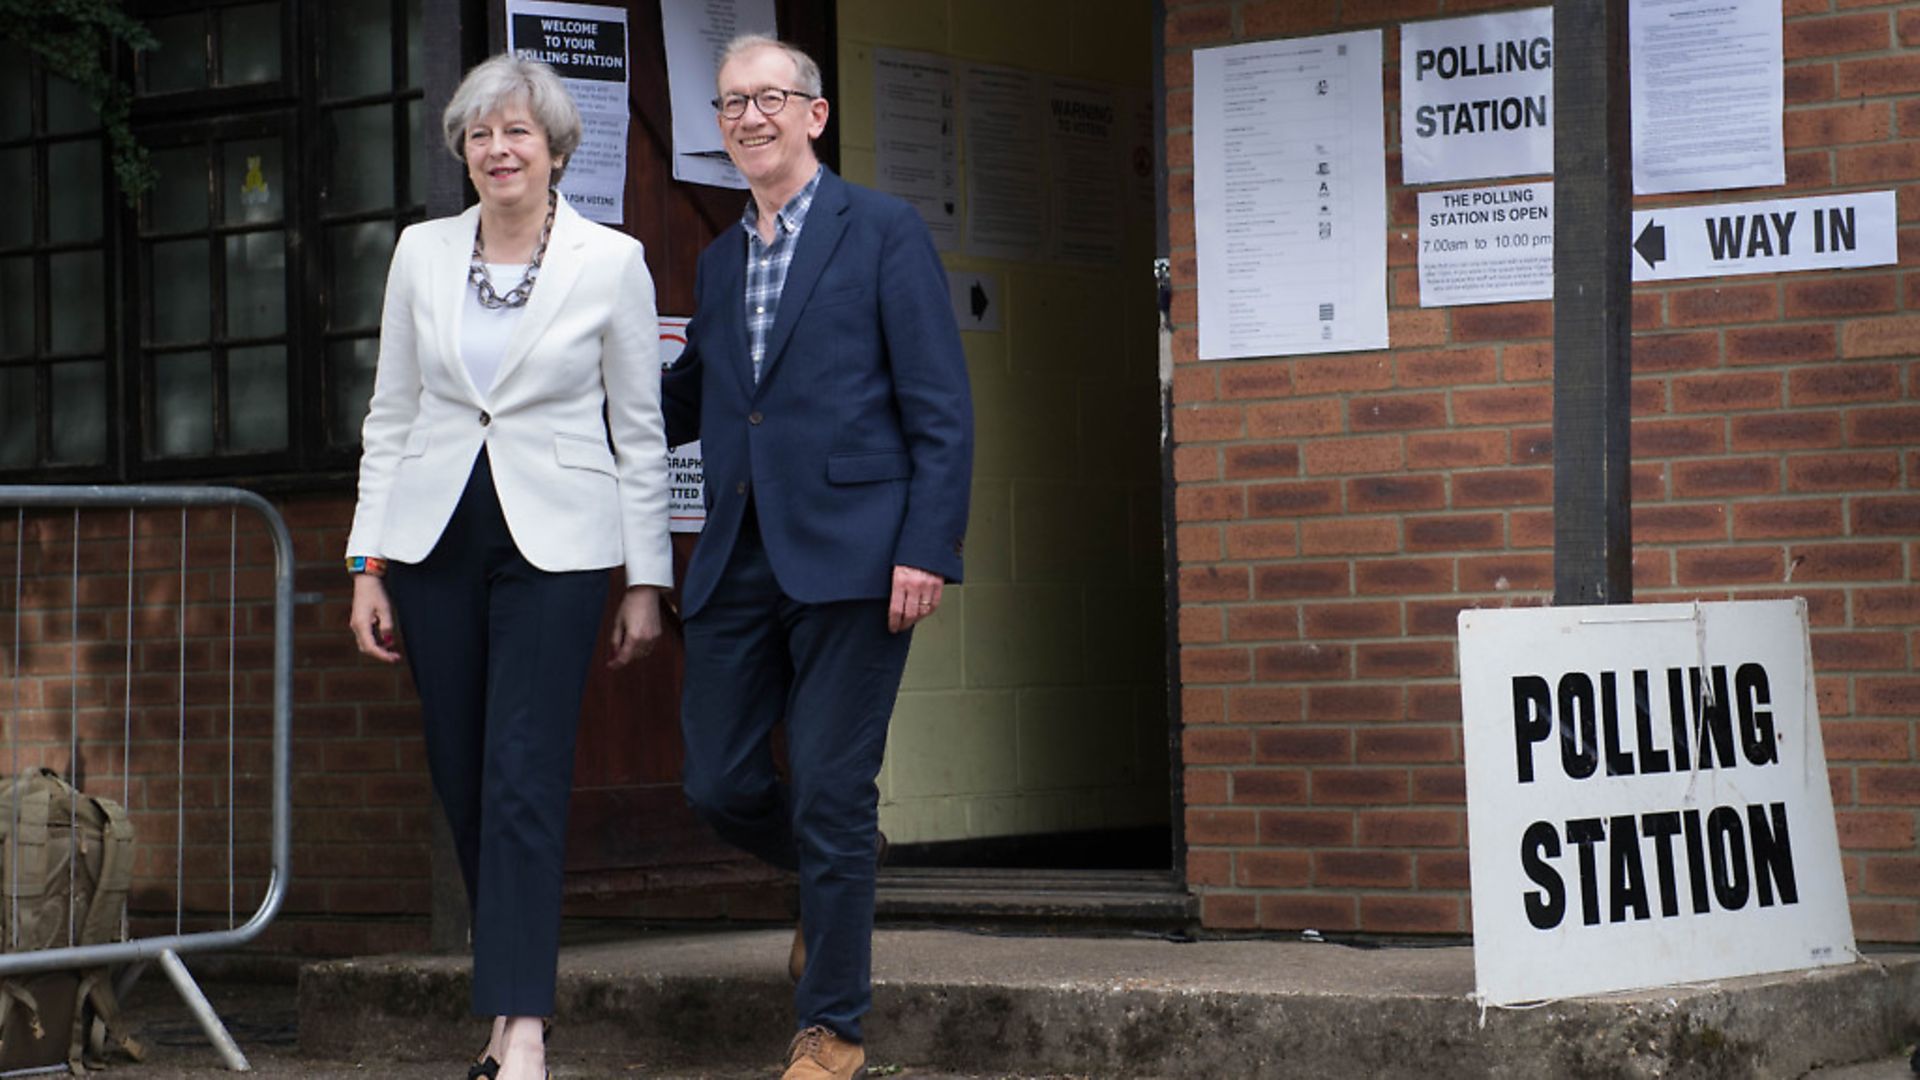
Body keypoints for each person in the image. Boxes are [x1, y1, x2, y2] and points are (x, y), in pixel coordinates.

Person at [345, 53, 671, 1080]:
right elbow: (391, 413)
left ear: (557, 148)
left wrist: (648, 579)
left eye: (517, 132)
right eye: (481, 134)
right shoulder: (418, 255)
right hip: (434, 540)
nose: (498, 149)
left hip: (560, 547)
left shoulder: (610, 261)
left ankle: (521, 1029)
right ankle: (509, 1002)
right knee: (462, 773)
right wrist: (367, 561)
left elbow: (644, 430)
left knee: (522, 774)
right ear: (464, 151)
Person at [661, 33, 973, 1080]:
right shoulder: (715, 259)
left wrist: (926, 545)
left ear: (815, 115)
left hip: (857, 558)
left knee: (834, 792)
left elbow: (939, 409)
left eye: (769, 99)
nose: (748, 118)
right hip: (738, 559)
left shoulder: (879, 232)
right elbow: (699, 397)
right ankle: (835, 875)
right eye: (730, 103)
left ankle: (832, 1030)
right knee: (717, 782)